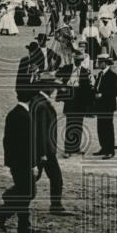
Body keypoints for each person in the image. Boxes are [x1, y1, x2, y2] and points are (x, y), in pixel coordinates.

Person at [30, 78, 73, 216]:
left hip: (44, 150)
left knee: (38, 179)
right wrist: (43, 153)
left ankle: (56, 205)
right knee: (52, 178)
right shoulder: (42, 104)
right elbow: (41, 131)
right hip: (44, 150)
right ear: (47, 87)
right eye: (53, 87)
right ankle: (56, 206)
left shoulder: (38, 101)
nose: (54, 90)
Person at [0, 98, 37, 233]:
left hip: (15, 160)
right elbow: (26, 144)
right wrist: (32, 164)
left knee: (25, 191)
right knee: (27, 192)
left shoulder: (14, 113)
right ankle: (13, 217)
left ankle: (18, 221)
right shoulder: (24, 116)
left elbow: (7, 139)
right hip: (22, 161)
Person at [58, 50, 92, 157]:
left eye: (80, 60)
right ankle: (68, 149)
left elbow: (87, 89)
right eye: (77, 60)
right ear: (74, 60)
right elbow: (57, 76)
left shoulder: (85, 71)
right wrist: (62, 87)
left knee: (78, 124)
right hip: (70, 99)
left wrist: (87, 106)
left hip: (80, 100)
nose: (78, 62)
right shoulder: (67, 68)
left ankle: (76, 147)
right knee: (70, 124)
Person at [90, 52, 117, 157]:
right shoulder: (100, 74)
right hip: (100, 106)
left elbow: (116, 91)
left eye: (100, 62)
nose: (98, 63)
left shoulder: (112, 75)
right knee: (101, 128)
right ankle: (104, 147)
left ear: (105, 63)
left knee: (108, 128)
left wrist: (102, 94)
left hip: (108, 106)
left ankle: (110, 150)